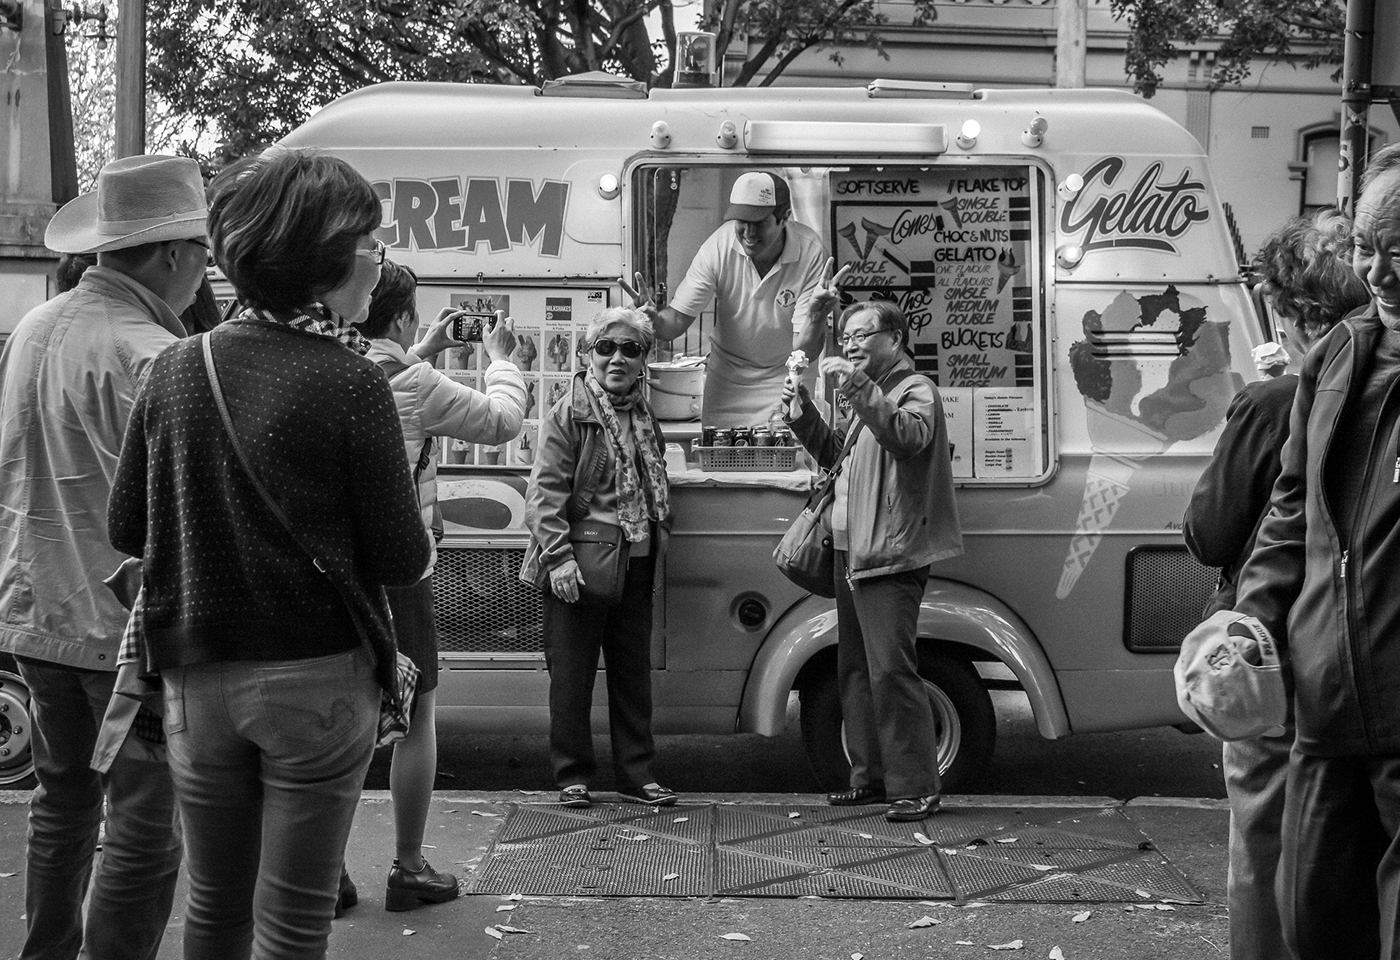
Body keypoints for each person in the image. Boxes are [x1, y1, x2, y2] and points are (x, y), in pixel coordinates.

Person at [106, 148, 431, 959]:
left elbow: (124, 526)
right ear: (323, 257)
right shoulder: (351, 379)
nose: (377, 260)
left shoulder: (177, 364)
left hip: (193, 676)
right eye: (371, 243)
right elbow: (399, 555)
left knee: (214, 908)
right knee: (292, 921)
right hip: (315, 678)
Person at [0, 155, 206, 960]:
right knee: (146, 831)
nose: (202, 270)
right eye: (199, 251)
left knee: (62, 804)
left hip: (34, 609)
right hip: (123, 635)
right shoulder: (153, 352)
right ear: (169, 255)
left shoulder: (33, 329)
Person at [1181, 209, 1368, 960]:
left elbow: (1211, 533)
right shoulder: (1375, 385)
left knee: (1261, 844)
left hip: (1271, 659)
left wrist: (1270, 397)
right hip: (1353, 659)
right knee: (1338, 850)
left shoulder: (1270, 403)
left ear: (1295, 314)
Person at [1231, 143, 1400, 960]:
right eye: (1368, 250)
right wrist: (1250, 625)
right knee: (1310, 925)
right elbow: (1290, 514)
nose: (1379, 274)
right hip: (1326, 711)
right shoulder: (1337, 356)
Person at [357, 260, 527, 910]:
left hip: (340, 574)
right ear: (401, 315)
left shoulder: (336, 365)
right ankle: (407, 865)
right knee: (418, 714)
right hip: (403, 573)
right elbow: (502, 421)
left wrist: (420, 345)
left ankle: (328, 872)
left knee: (343, 717)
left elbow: (387, 367)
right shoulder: (417, 383)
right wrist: (501, 358)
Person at [781, 299, 962, 822]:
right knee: (855, 670)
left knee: (891, 672)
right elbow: (839, 454)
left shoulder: (916, 390)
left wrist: (858, 389)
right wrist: (803, 410)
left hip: (889, 554)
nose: (851, 343)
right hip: (849, 550)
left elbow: (907, 437)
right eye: (847, 336)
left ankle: (916, 786)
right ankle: (869, 779)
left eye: (863, 334)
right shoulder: (872, 395)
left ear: (896, 339)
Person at [520, 306, 675, 808]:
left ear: (644, 360)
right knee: (572, 676)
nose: (617, 358)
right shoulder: (571, 411)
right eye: (605, 347)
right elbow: (544, 494)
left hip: (636, 561)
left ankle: (637, 775)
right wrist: (560, 558)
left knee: (633, 675)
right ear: (587, 354)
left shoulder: (646, 414)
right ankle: (572, 777)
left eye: (630, 348)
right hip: (580, 566)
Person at [627, 171, 829, 426]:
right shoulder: (719, 246)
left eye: (760, 222)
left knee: (785, 460)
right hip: (728, 379)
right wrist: (652, 320)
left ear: (785, 217)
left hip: (787, 375)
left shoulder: (810, 252)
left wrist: (816, 317)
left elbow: (805, 350)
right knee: (719, 457)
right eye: (741, 221)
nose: (748, 232)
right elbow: (675, 322)